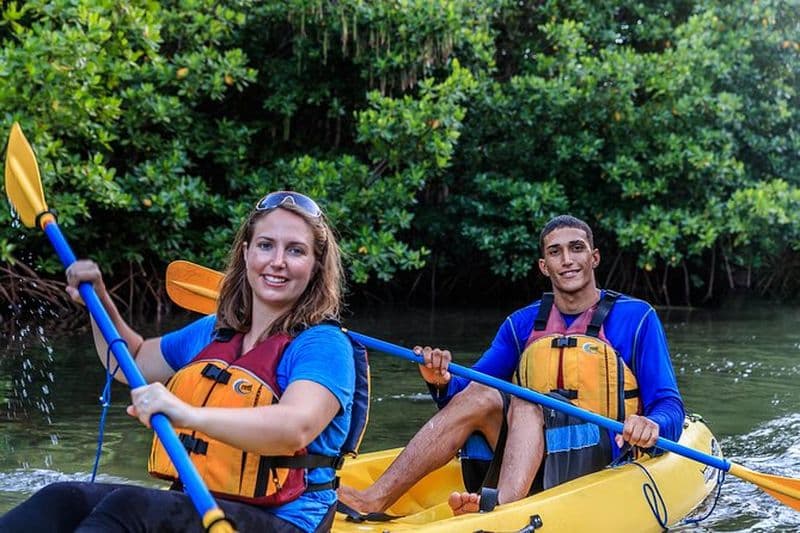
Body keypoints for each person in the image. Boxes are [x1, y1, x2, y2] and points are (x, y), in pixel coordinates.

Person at [0, 191, 365, 532]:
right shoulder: (215, 331)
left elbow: (293, 428)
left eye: (296, 251)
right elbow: (135, 361)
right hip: (202, 500)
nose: (278, 262)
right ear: (246, 253)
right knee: (64, 497)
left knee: (129, 507)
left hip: (289, 520)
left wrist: (186, 414)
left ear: (316, 266)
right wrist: (100, 302)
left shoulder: (324, 344)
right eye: (266, 246)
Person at [338, 214, 684, 516]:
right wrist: (440, 380)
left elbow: (669, 405)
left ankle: (498, 509)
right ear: (543, 266)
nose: (567, 259)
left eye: (576, 248)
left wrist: (650, 424)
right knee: (484, 394)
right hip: (532, 454)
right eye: (555, 252)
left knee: (525, 398)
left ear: (594, 258)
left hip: (602, 454)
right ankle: (374, 498)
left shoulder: (637, 318)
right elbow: (466, 396)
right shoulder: (522, 325)